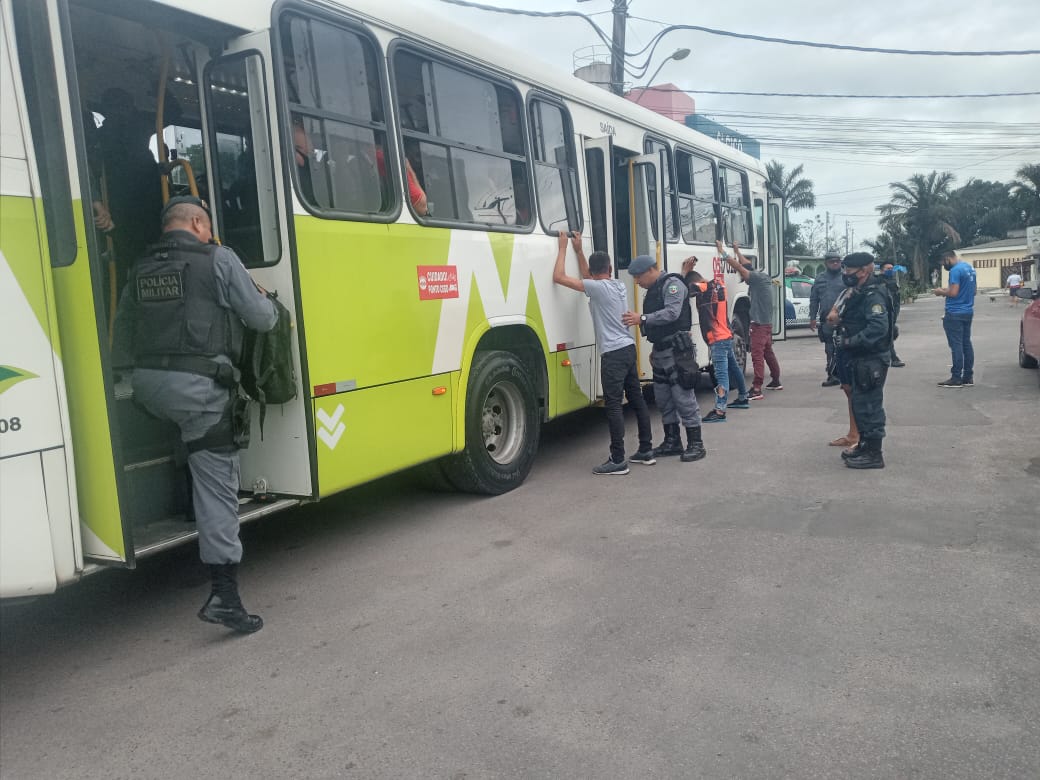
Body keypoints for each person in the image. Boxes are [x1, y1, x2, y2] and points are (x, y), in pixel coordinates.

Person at [115, 196, 278, 633]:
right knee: (218, 484)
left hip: (147, 389)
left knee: (188, 433)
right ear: (196, 223)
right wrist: (265, 301)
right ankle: (225, 596)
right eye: (208, 228)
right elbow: (262, 319)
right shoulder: (218, 259)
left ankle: (187, 509)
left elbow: (123, 330)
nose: (211, 235)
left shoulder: (140, 267)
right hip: (197, 390)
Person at [552, 232, 655, 474]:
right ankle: (646, 449)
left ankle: (618, 459)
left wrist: (563, 247)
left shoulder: (596, 288)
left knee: (613, 406)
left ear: (594, 271)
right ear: (609, 268)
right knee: (637, 399)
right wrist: (580, 251)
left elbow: (558, 277)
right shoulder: (618, 285)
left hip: (613, 354)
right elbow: (589, 277)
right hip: (628, 348)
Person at [621, 256, 706, 463]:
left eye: (639, 276)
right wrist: (655, 349)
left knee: (683, 398)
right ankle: (672, 441)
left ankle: (696, 444)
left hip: (677, 352)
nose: (637, 281)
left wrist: (642, 318)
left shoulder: (672, 285)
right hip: (661, 351)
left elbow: (672, 313)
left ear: (651, 270)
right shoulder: (656, 288)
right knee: (663, 399)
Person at [829, 252, 893, 469]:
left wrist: (850, 341)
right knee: (860, 403)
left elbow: (878, 327)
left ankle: (874, 454)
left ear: (864, 271)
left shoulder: (874, 295)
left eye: (849, 270)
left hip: (871, 357)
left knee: (870, 406)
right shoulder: (861, 291)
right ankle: (864, 446)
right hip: (860, 357)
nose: (845, 274)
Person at [683, 260, 749, 421]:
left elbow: (684, 290)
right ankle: (743, 397)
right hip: (726, 335)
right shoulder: (719, 285)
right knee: (734, 369)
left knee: (721, 375)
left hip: (717, 339)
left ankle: (720, 411)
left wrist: (684, 273)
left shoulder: (704, 288)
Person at [718, 239, 780, 400]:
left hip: (759, 325)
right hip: (767, 324)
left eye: (743, 277)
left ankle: (757, 388)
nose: (743, 280)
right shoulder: (762, 278)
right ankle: (776, 380)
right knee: (768, 353)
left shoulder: (755, 279)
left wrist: (723, 252)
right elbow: (746, 265)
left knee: (757, 355)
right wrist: (737, 251)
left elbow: (740, 267)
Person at [932, 249, 977, 388]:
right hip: (968, 311)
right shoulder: (969, 268)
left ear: (948, 259)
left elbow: (953, 292)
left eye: (943, 263)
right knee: (966, 343)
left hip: (954, 312)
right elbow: (974, 291)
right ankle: (968, 377)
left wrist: (940, 292)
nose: (944, 266)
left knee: (956, 345)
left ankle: (956, 377)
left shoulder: (955, 270)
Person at [809, 250, 846, 386]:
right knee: (829, 348)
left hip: (845, 319)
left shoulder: (847, 277)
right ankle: (832, 376)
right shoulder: (820, 278)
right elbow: (814, 299)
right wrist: (813, 317)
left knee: (845, 347)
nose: (835, 263)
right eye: (832, 261)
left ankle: (846, 377)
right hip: (826, 321)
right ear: (826, 263)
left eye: (837, 261)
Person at [879, 261, 906, 367]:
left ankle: (886, 354)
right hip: (883, 313)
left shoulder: (893, 282)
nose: (890, 270)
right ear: (882, 270)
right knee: (889, 335)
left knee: (893, 333)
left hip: (892, 313)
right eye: (888, 268)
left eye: (891, 268)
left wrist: (895, 313)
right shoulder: (878, 282)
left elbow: (897, 300)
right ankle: (894, 358)